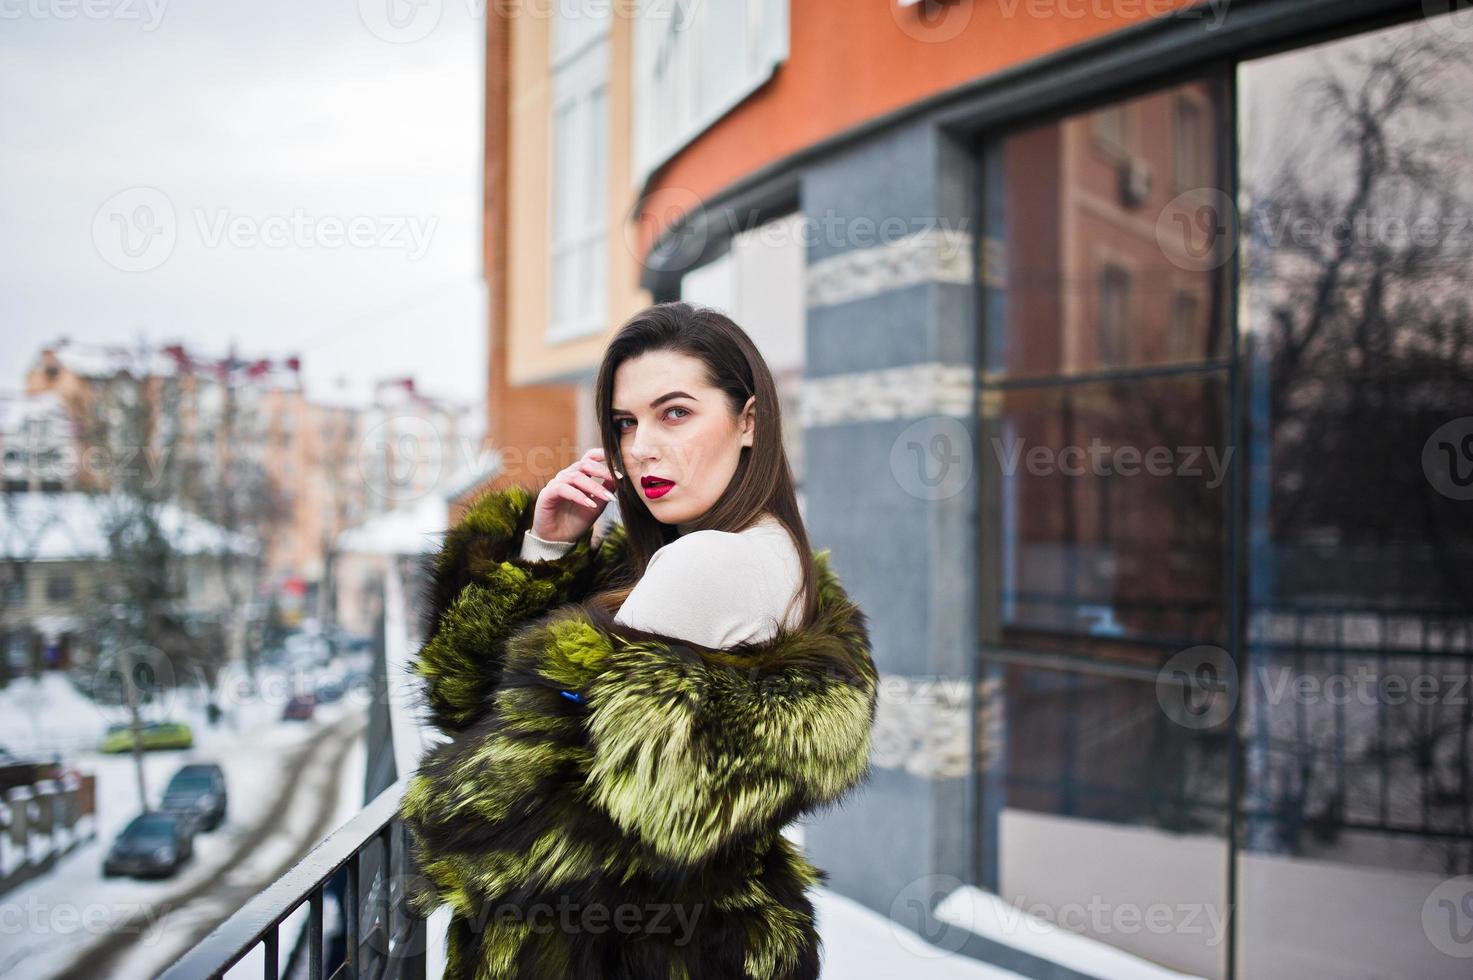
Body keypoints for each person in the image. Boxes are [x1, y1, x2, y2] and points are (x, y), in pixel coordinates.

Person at [401, 301, 878, 980]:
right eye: (625, 422)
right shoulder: (771, 556)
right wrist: (548, 548)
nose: (640, 447)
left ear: (749, 421)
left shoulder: (702, 564)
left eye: (674, 413)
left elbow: (482, 791)